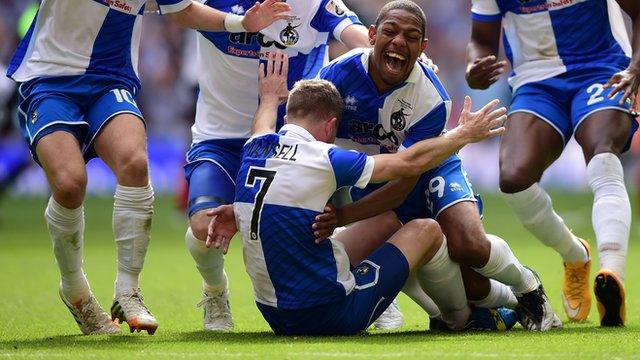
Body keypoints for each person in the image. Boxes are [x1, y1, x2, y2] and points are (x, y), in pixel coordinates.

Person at [6, 0, 290, 335]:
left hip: (110, 81)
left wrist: (241, 23)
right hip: (50, 78)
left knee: (136, 163)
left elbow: (180, 10)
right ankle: (75, 289)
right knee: (70, 184)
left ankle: (128, 291)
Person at [204, 51, 514, 335]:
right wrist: (462, 135)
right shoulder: (324, 158)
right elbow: (409, 163)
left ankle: (443, 308)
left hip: (271, 312)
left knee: (388, 221)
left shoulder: (254, 146)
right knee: (426, 229)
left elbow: (262, 124)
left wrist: (269, 97)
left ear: (288, 118)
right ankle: (460, 317)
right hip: (327, 314)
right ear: (331, 126)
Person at [316, 0, 561, 330]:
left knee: (468, 246)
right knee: (466, 290)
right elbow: (318, 149)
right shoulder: (335, 77)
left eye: (411, 36)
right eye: (390, 31)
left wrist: (342, 218)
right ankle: (474, 310)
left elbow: (403, 183)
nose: (399, 42)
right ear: (372, 35)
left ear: (422, 47)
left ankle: (528, 287)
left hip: (429, 168)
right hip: (372, 181)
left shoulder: (432, 96)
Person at [182, 0, 390, 332]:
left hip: (287, 143)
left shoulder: (314, 3)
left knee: (320, 221)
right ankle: (215, 291)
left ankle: (356, 280)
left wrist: (403, 61)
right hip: (220, 138)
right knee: (201, 225)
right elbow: (178, 12)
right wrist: (240, 24)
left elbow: (357, 38)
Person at [466, 0, 639, 326]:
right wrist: (474, 67)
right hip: (537, 83)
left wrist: (636, 67)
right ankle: (576, 256)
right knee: (513, 179)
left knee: (603, 155)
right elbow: (481, 40)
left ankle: (611, 275)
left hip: (601, 68)